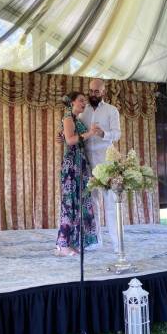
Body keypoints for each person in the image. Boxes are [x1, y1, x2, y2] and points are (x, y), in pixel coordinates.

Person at [56, 92, 100, 256]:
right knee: (70, 204)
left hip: (79, 164)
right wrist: (91, 133)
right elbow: (70, 140)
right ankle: (62, 245)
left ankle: (71, 242)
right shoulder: (68, 117)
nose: (84, 103)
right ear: (72, 102)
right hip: (72, 166)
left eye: (84, 101)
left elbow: (65, 137)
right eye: (81, 101)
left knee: (78, 204)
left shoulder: (75, 119)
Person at [79, 79, 121, 251]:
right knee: (92, 204)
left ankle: (118, 244)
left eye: (97, 91)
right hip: (88, 162)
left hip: (106, 163)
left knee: (111, 204)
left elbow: (117, 134)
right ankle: (96, 241)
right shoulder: (83, 112)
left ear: (103, 92)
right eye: (91, 91)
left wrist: (104, 133)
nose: (93, 94)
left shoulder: (112, 110)